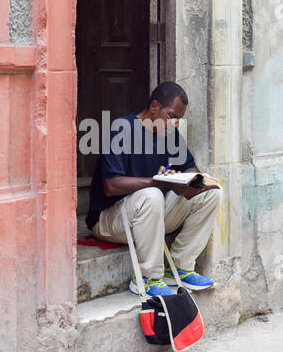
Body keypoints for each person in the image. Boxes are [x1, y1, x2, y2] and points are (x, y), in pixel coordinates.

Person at [86, 81, 223, 296]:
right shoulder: (121, 129)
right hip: (110, 220)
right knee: (152, 194)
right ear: (154, 107)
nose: (175, 124)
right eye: (172, 117)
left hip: (150, 216)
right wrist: (157, 181)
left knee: (210, 191)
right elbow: (111, 186)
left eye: (179, 119)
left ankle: (179, 265)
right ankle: (147, 277)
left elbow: (189, 167)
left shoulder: (169, 133)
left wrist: (184, 179)